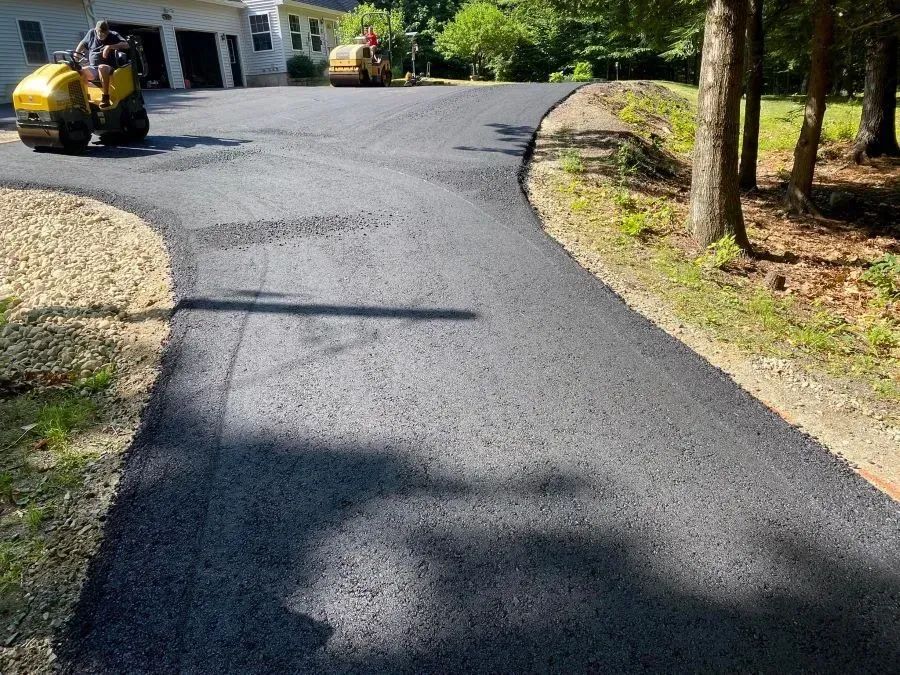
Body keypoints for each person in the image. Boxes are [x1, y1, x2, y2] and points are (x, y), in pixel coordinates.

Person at [75, 20, 128, 108]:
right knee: (81, 71)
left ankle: (106, 98)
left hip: (109, 68)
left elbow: (127, 44)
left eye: (105, 33)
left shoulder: (113, 35)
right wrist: (76, 55)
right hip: (93, 68)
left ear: (108, 31)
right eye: (100, 33)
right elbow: (82, 44)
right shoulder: (91, 33)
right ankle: (85, 98)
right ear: (96, 30)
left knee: (102, 67)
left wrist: (110, 46)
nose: (102, 35)